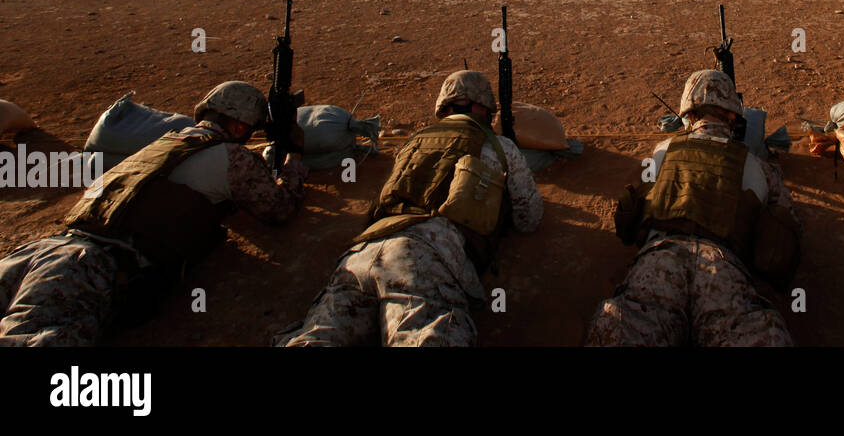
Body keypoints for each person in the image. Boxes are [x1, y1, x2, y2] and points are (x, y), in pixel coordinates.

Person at [0, 82, 308, 346]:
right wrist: (294, 156)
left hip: (44, 248)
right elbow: (279, 210)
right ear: (240, 127)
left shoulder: (164, 143)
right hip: (87, 266)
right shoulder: (234, 158)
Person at [279, 71, 541, 346]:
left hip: (362, 254)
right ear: (483, 107)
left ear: (444, 107)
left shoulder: (413, 141)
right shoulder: (500, 147)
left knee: (318, 338)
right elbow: (529, 218)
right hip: (421, 257)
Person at [587, 69, 800, 346]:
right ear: (733, 116)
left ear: (688, 116)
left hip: (659, 259)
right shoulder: (758, 166)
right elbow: (788, 225)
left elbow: (636, 205)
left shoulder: (662, 150)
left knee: (618, 330)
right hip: (723, 267)